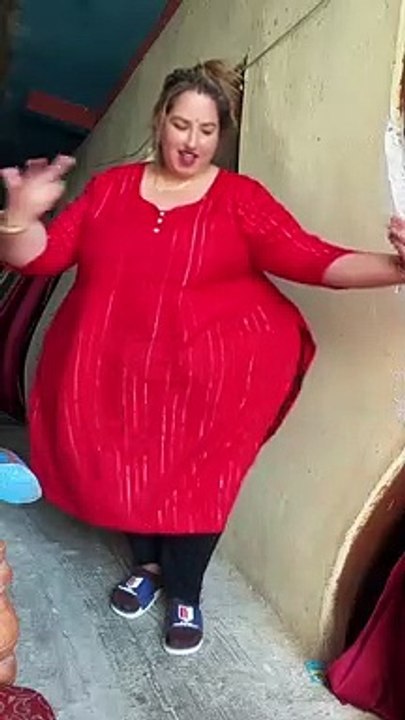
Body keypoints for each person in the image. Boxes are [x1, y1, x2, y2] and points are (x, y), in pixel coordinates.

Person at [1, 59, 405, 657]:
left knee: (199, 488)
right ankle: (148, 568)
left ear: (221, 135)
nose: (191, 141)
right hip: (119, 376)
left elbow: (315, 260)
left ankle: (185, 592)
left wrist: (396, 267)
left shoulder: (239, 199)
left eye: (207, 130)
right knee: (127, 472)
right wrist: (20, 216)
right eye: (181, 125)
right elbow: (42, 257)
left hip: (209, 384)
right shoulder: (110, 190)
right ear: (160, 121)